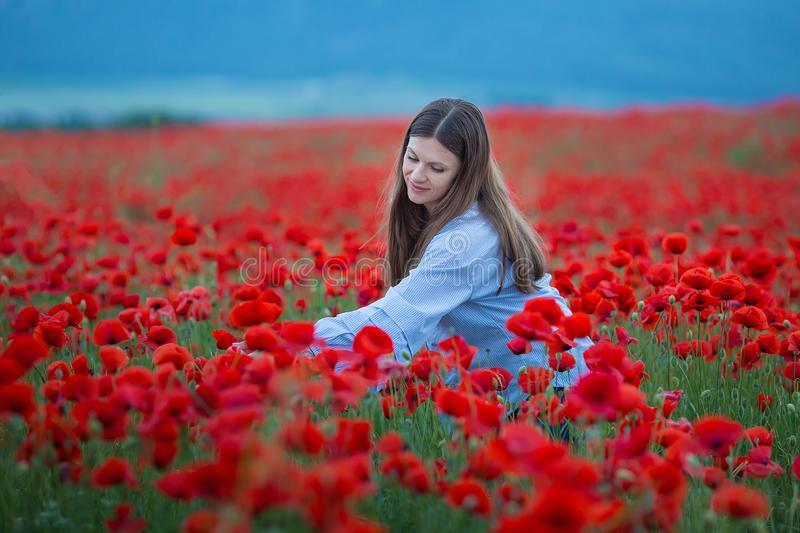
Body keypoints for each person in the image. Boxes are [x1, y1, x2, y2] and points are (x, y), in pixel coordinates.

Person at [304, 98, 592, 410]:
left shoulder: (467, 241)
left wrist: (299, 347)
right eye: (412, 158)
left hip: (556, 391)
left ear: (465, 175)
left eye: (436, 168)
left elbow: (395, 323)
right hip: (523, 389)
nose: (416, 175)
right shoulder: (444, 219)